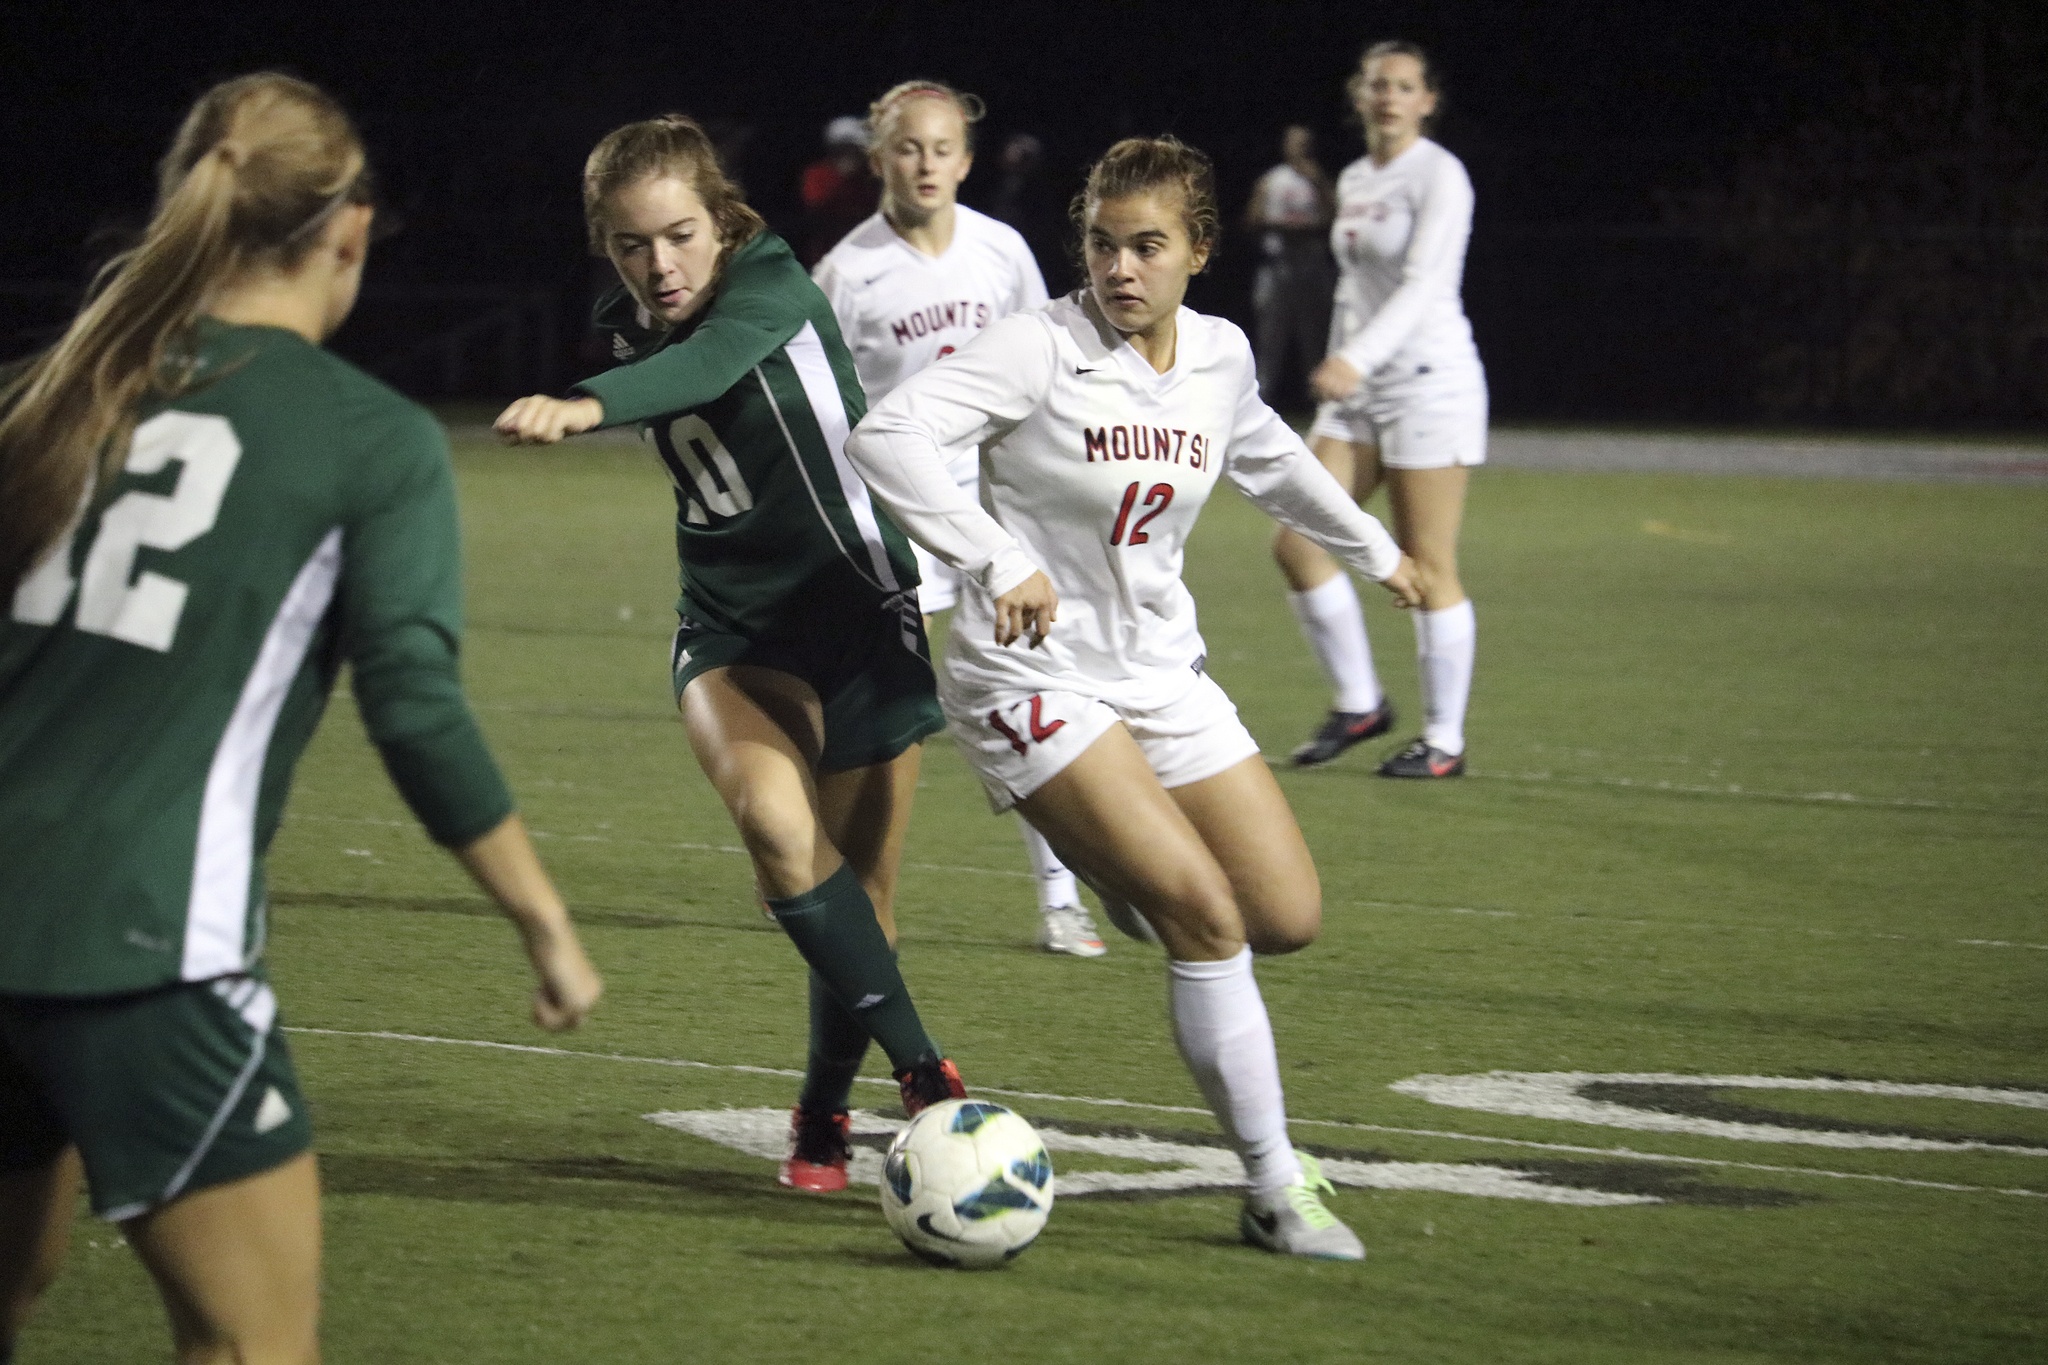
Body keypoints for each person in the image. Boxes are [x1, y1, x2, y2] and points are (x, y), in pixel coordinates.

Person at [0, 74, 602, 1364]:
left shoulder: (46, 395)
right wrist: (545, 922)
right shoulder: (366, 439)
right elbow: (416, 710)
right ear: (351, 230)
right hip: (145, 953)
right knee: (252, 1346)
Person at [847, 135, 1423, 1260]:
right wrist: (992, 556)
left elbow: (1271, 459)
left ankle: (1126, 875)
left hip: (1160, 674)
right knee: (1205, 917)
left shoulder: (1218, 355)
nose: (1119, 267)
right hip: (1029, 676)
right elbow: (888, 434)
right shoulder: (1037, 347)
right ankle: (1274, 1187)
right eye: (1102, 245)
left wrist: (1376, 551)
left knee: (1284, 917)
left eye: (1147, 246)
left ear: (1199, 250)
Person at [492, 114, 966, 1197]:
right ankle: (925, 1072)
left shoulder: (774, 286)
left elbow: (706, 366)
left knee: (861, 901)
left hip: (857, 609)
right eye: (630, 245)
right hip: (729, 624)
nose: (658, 265)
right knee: (776, 833)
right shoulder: (625, 320)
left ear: (723, 219)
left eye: (679, 236)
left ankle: (821, 1108)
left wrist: (585, 404)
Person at [813, 81, 1103, 959]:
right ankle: (834, 881)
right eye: (908, 148)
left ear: (967, 161)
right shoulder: (846, 272)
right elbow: (823, 407)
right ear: (878, 158)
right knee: (881, 708)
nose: (926, 164)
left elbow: (1047, 367)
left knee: (1032, 692)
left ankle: (1061, 898)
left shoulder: (1001, 250)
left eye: (943, 148)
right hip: (889, 519)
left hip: (992, 513)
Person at [1274, 40, 1487, 777]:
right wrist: (1343, 361)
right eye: (1377, 85)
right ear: (1358, 96)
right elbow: (1354, 287)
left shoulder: (1440, 174)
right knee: (1298, 542)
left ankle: (1445, 741)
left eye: (1403, 86)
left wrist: (1355, 359)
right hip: (1360, 391)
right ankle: (1361, 702)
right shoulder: (1358, 176)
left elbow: (1424, 284)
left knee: (1427, 565)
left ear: (1428, 100)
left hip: (1428, 382)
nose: (1388, 96)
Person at [1243, 125, 1335, 408]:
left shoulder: (1318, 179)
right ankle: (1259, 404)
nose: (1300, 148)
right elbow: (1251, 220)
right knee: (1270, 342)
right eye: (1294, 143)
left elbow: (1337, 217)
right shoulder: (1271, 180)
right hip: (1277, 268)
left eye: (1305, 143)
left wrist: (1319, 183)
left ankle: (1321, 405)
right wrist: (1284, 229)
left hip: (1311, 268)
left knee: (1314, 342)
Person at [797, 116, 879, 268]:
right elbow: (817, 207)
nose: (849, 155)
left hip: (864, 255)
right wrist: (842, 178)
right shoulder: (817, 174)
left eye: (854, 149)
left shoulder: (870, 180)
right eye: (844, 149)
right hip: (825, 257)